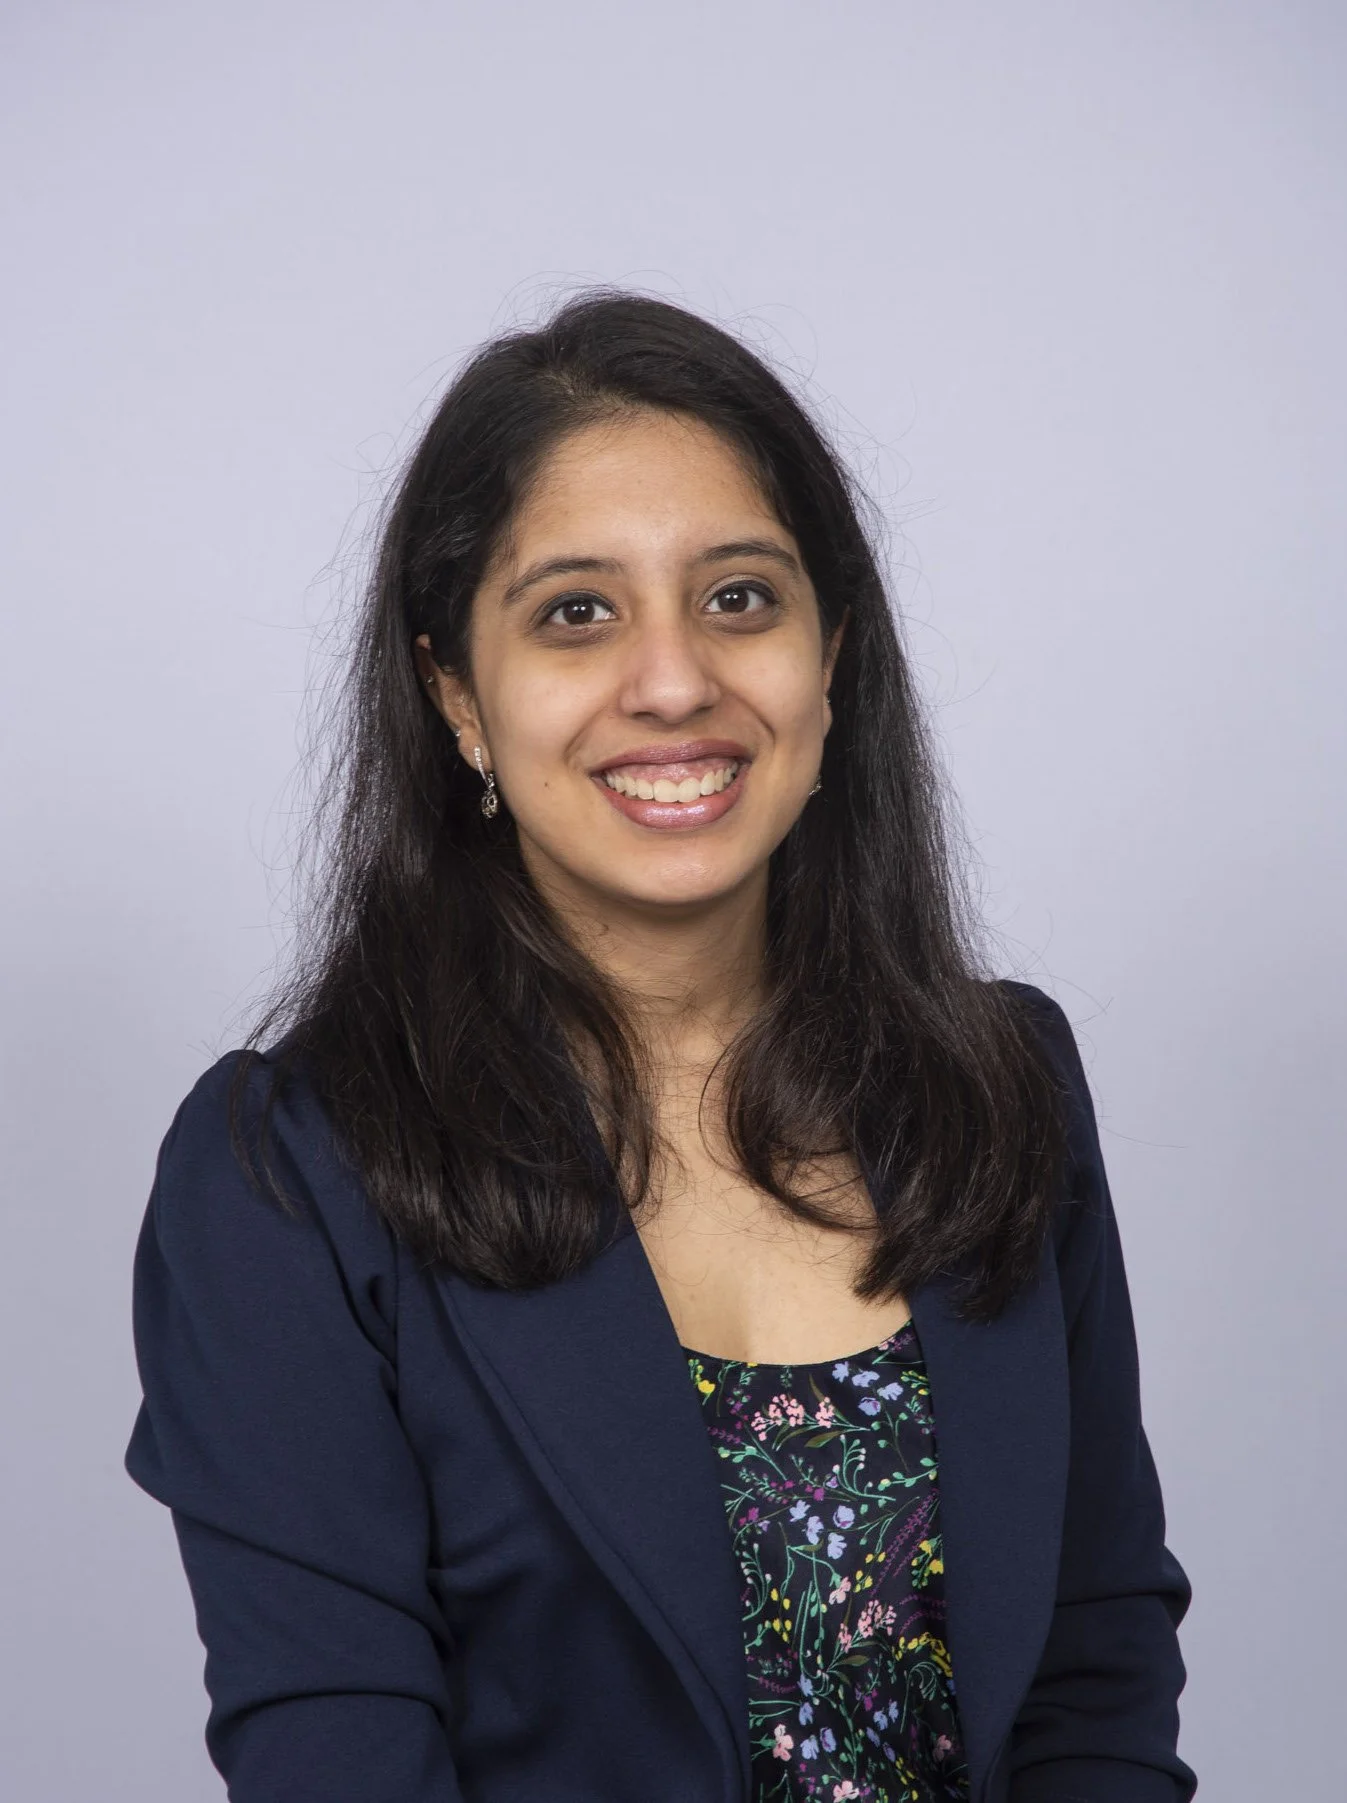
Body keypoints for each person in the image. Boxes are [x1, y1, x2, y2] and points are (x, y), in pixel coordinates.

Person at [125, 291, 1195, 1803]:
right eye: (576, 611)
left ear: (831, 655)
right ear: (456, 694)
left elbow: (1097, 1673)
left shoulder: (999, 1083)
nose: (677, 680)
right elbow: (334, 1748)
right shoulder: (286, 1177)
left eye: (740, 598)